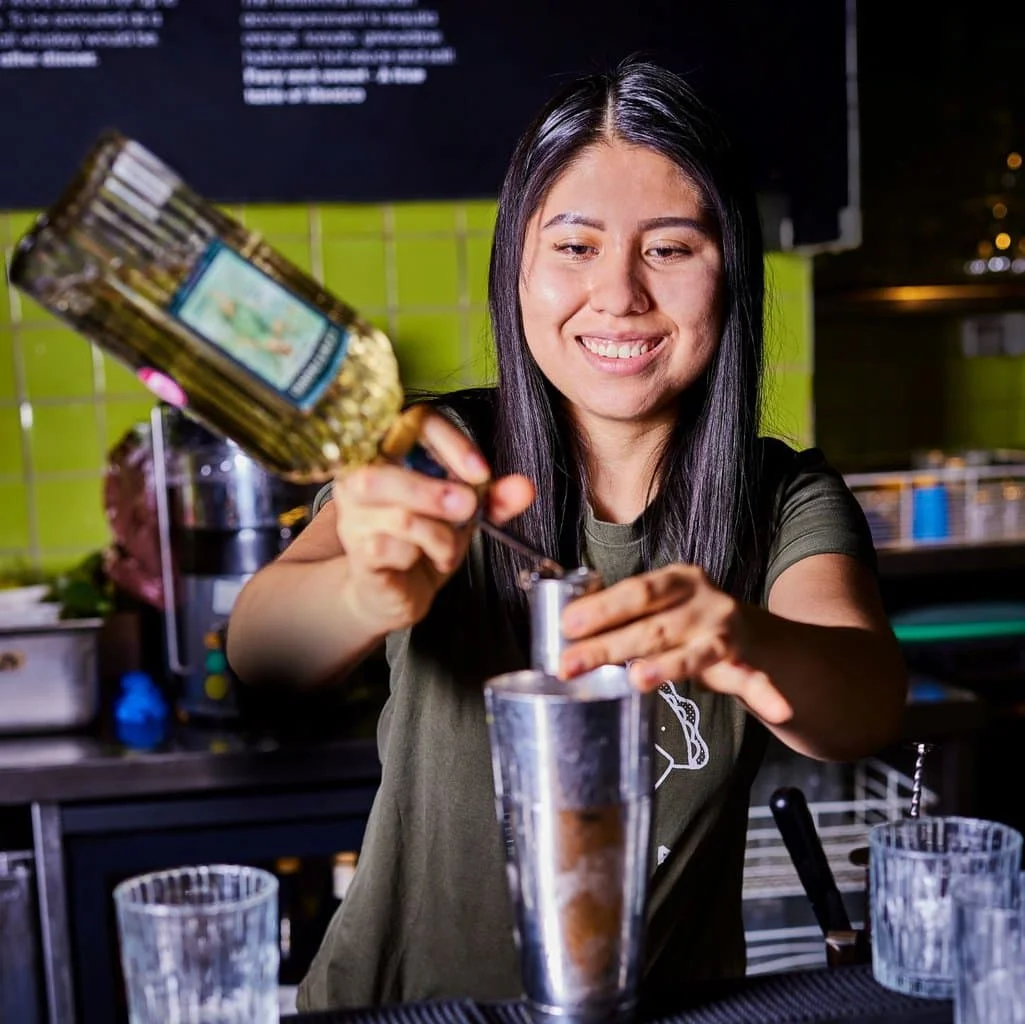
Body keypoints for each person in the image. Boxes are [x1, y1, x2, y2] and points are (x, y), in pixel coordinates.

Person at [226, 57, 907, 1011]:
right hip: (399, 1010)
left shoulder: (782, 499)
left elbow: (864, 704)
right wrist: (359, 593)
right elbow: (258, 652)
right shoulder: (443, 451)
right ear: (519, 266)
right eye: (575, 246)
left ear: (730, 273)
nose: (620, 294)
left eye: (668, 249)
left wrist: (739, 639)